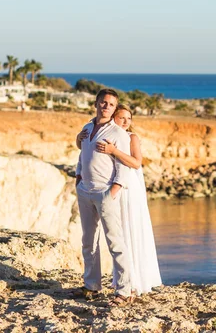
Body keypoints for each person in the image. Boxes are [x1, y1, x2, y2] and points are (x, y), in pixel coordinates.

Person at [77, 104, 162, 295]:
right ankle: (116, 281)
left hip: (127, 190)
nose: (125, 121)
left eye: (129, 118)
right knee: (116, 234)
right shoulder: (105, 134)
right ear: (113, 118)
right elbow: (85, 152)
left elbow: (136, 163)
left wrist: (113, 151)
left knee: (126, 233)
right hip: (110, 188)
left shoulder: (131, 137)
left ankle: (132, 283)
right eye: (121, 117)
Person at [75, 89, 134, 306]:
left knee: (114, 242)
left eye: (110, 104)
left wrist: (114, 190)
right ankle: (91, 286)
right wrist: (78, 178)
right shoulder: (87, 127)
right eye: (103, 102)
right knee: (88, 241)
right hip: (85, 191)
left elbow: (124, 166)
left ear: (114, 107)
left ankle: (124, 290)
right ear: (96, 103)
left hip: (105, 192)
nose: (106, 106)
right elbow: (82, 154)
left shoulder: (118, 133)